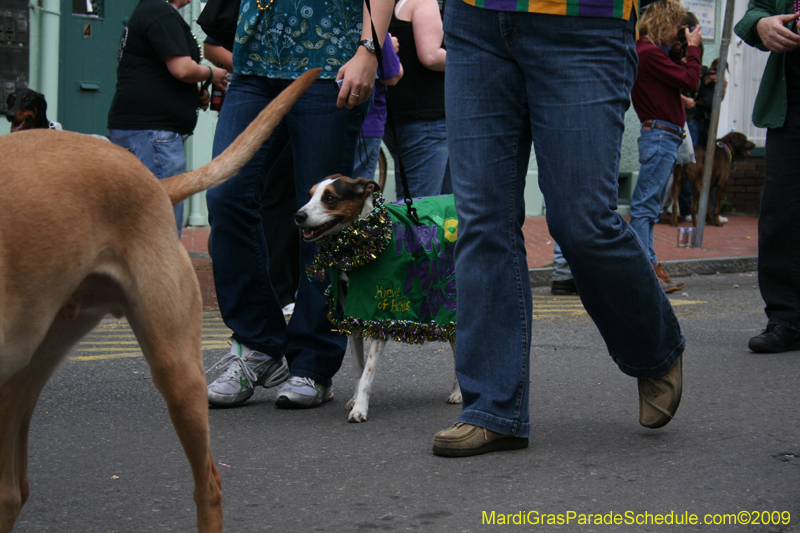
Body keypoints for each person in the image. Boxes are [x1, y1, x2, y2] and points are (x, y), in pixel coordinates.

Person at [431, 0, 686, 457]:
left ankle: (655, 349)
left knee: (581, 220)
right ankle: (492, 408)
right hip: (476, 20)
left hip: (584, 22)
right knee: (481, 220)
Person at [205, 0, 394, 408]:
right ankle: (258, 345)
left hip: (329, 62)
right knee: (225, 194)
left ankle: (313, 361)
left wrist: (368, 49)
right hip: (254, 63)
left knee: (320, 220)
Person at [107, 0, 227, 237]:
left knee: (138, 222)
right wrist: (213, 73)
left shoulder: (150, 12)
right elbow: (182, 68)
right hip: (152, 135)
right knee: (161, 230)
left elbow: (154, 70)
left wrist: (194, 95)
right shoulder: (159, 11)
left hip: (141, 132)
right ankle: (162, 274)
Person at [735, 1, 800, 353]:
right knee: (781, 214)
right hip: (790, 104)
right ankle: (787, 319)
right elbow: (753, 12)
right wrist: (761, 24)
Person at [629, 0, 702, 293]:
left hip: (662, 136)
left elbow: (673, 83)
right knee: (645, 207)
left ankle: (648, 265)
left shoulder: (648, 54)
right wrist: (694, 48)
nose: (678, 33)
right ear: (663, 23)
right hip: (660, 136)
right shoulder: (649, 54)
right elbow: (691, 80)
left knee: (647, 207)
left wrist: (679, 51)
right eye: (676, 27)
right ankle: (643, 269)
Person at [383, 0, 448, 197]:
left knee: (414, 198)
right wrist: (474, 57)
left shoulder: (385, 6)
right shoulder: (422, 2)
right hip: (427, 118)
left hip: (396, 116)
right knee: (421, 206)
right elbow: (430, 56)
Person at [353, 33, 403, 181]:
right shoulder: (371, 23)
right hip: (367, 121)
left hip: (327, 121)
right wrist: (390, 51)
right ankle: (377, 204)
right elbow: (393, 76)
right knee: (362, 190)